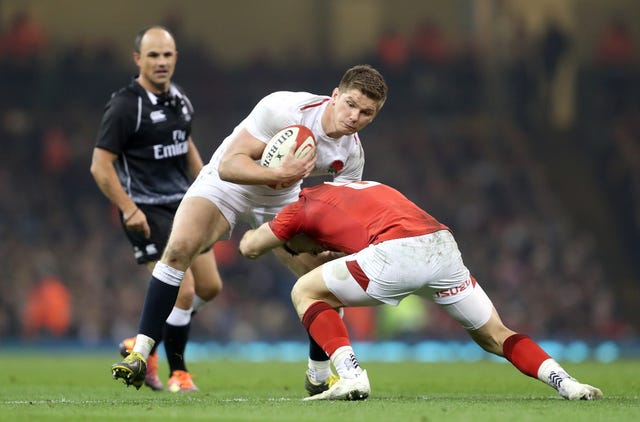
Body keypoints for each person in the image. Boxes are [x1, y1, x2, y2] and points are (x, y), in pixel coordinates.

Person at [110, 64, 388, 392]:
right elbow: (229, 165)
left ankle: (317, 375)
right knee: (179, 249)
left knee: (326, 276)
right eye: (350, 104)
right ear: (336, 95)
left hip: (282, 199)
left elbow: (336, 209)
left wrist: (329, 242)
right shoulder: (284, 109)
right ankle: (141, 352)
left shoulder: (352, 155)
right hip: (228, 185)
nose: (355, 116)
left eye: (366, 112)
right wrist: (279, 173)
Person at [238, 181, 604, 401]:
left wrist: (251, 227)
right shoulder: (354, 189)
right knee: (495, 335)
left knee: (305, 291)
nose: (315, 252)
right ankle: (566, 383)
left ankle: (350, 375)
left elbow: (251, 248)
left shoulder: (296, 211)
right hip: (442, 245)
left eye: (307, 248)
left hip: (399, 252)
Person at [91, 25, 222, 392]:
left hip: (186, 205)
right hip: (147, 211)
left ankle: (143, 344)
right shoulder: (124, 106)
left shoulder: (179, 98)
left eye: (167, 55)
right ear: (138, 60)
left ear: (175, 58)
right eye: (153, 55)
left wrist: (210, 187)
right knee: (183, 289)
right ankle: (178, 373)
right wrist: (128, 208)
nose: (161, 62)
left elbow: (186, 146)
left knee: (210, 287)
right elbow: (100, 165)